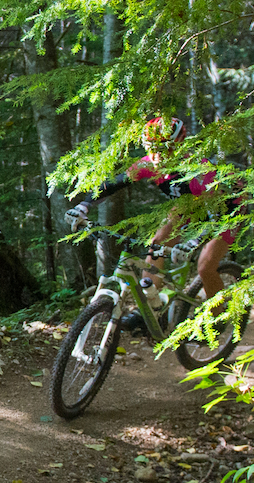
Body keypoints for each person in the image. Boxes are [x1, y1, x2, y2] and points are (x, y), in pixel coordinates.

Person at [69, 115, 238, 328]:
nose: (156, 154)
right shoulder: (151, 164)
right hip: (190, 207)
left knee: (205, 266)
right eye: (150, 147)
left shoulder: (199, 170)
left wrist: (192, 243)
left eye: (163, 148)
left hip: (226, 212)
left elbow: (215, 216)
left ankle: (218, 317)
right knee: (157, 242)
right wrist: (83, 206)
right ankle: (150, 309)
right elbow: (114, 184)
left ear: (178, 145)